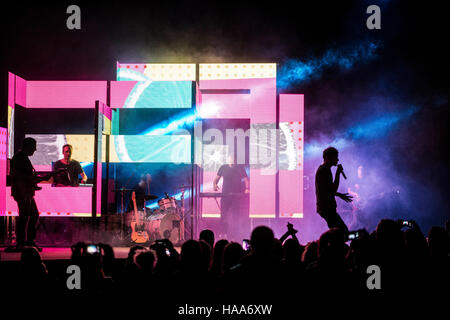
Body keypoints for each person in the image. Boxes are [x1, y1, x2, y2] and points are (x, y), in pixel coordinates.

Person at [10, 137, 50, 251]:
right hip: (23, 192)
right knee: (25, 217)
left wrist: (41, 178)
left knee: (31, 215)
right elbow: (16, 175)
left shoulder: (22, 158)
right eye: (34, 147)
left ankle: (27, 242)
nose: (35, 149)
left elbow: (25, 177)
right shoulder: (19, 158)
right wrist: (36, 179)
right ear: (28, 146)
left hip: (25, 192)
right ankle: (22, 242)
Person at [315, 147, 352, 232]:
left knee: (337, 232)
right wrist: (338, 173)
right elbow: (332, 188)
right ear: (328, 157)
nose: (337, 159)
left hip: (326, 208)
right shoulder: (324, 170)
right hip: (326, 208)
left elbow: (327, 189)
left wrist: (340, 195)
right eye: (335, 157)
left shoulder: (324, 169)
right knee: (342, 231)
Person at [213, 155, 249, 240]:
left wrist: (247, 189)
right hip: (225, 195)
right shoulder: (223, 167)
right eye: (231, 159)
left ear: (235, 160)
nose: (232, 160)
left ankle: (235, 234)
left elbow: (246, 179)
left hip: (236, 196)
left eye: (234, 159)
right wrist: (215, 185)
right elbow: (216, 179)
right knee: (223, 215)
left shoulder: (240, 168)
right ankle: (223, 233)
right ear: (228, 159)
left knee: (235, 216)